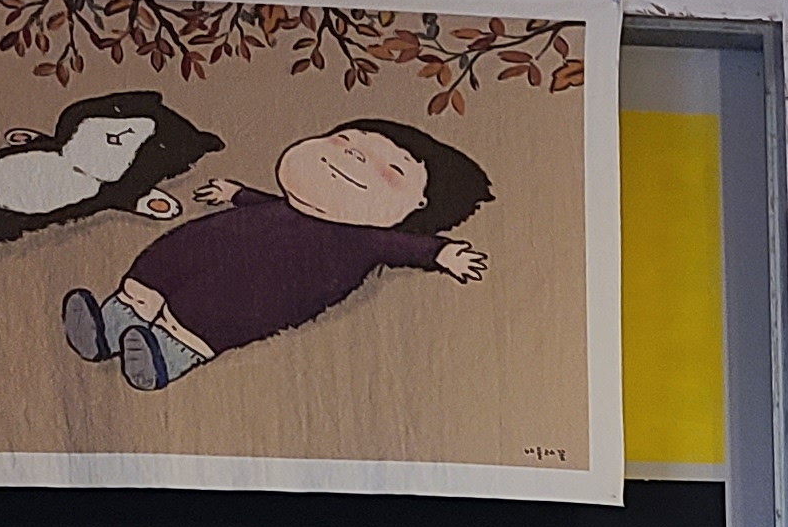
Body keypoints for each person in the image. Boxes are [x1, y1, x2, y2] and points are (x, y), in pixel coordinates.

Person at [65, 119, 493, 391]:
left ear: (417, 206)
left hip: (260, 289)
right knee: (164, 263)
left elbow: (407, 249)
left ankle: (162, 356)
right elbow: (269, 202)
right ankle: (109, 326)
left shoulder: (366, 238)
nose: (353, 157)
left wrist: (443, 253)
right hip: (213, 242)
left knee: (208, 308)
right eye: (346, 142)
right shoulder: (292, 207)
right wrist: (236, 194)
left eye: (392, 170)